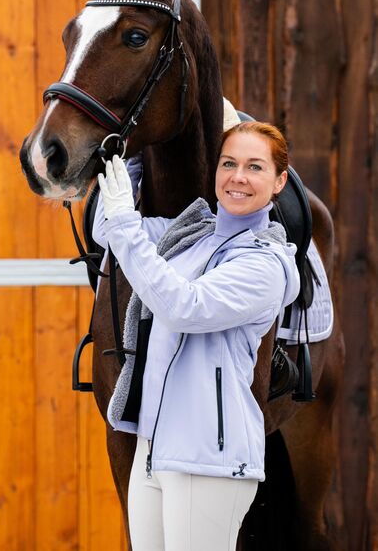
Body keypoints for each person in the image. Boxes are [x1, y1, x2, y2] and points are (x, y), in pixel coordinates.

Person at [93, 121, 300, 551]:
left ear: (279, 181)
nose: (238, 176)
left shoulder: (264, 264)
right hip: (153, 450)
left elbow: (182, 307)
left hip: (208, 458)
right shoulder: (193, 234)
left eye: (254, 167)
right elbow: (110, 234)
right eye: (229, 163)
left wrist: (124, 222)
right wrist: (121, 165)